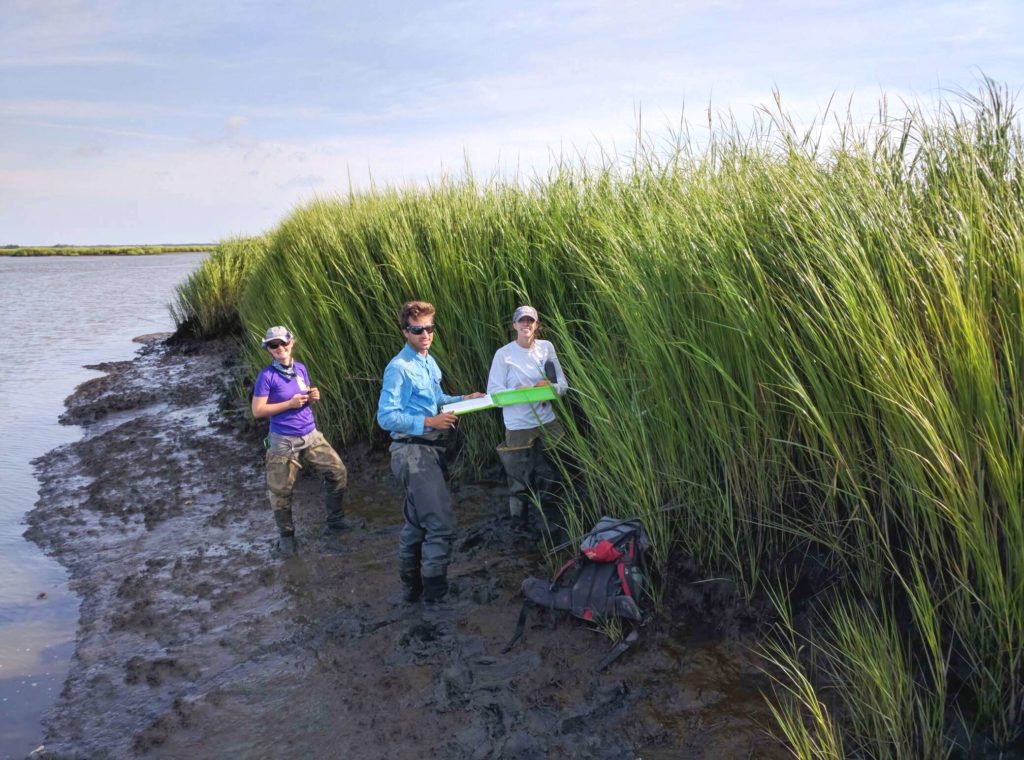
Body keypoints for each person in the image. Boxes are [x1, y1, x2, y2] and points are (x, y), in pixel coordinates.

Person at [376, 301, 485, 603]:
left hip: (426, 451)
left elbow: (436, 399)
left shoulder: (428, 361)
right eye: (417, 330)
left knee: (417, 525)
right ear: (405, 332)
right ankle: (436, 597)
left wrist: (464, 398)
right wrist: (429, 422)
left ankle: (411, 591)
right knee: (440, 524)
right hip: (412, 453)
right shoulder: (399, 368)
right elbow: (386, 417)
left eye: (429, 328)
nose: (425, 334)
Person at [251, 325, 351, 557]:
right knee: (281, 491)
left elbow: (302, 398)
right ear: (268, 349)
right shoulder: (266, 377)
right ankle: (287, 538)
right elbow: (257, 411)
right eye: (273, 345)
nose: (280, 348)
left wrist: (312, 398)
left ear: (291, 342)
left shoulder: (300, 369)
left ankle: (336, 521)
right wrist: (289, 404)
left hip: (311, 434)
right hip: (282, 441)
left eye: (283, 343)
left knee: (337, 472)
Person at [486, 305, 568, 535]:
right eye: (521, 321)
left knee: (555, 472)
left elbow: (562, 386)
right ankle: (519, 527)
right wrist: (519, 392)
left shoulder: (546, 347)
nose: (526, 324)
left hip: (547, 421)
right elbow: (494, 395)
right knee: (519, 480)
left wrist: (547, 388)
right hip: (518, 426)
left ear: (537, 325)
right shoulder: (504, 354)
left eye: (530, 321)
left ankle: (555, 523)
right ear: (514, 325)